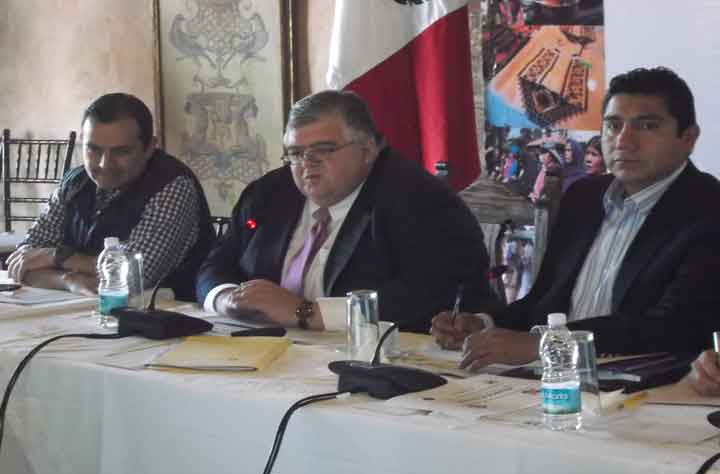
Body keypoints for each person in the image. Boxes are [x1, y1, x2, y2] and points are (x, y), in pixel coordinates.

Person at [431, 66, 720, 369]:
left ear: (688, 138)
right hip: (552, 377)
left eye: (647, 126)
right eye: (613, 125)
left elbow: (674, 329)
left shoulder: (708, 210)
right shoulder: (584, 197)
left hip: (648, 384)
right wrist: (483, 323)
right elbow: (544, 302)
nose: (623, 141)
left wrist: (547, 345)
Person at [196, 90, 496, 333]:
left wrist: (307, 312)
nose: (307, 163)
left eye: (324, 149)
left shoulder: (420, 200)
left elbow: (430, 296)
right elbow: (215, 264)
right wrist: (225, 298)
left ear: (368, 150)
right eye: (296, 153)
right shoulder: (268, 194)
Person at [7, 93, 215, 300]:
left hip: (162, 312)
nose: (104, 164)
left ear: (149, 148)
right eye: (93, 149)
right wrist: (70, 281)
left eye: (121, 152)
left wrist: (59, 257)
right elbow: (23, 260)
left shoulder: (172, 184)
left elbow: (134, 276)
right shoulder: (75, 182)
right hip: (81, 305)